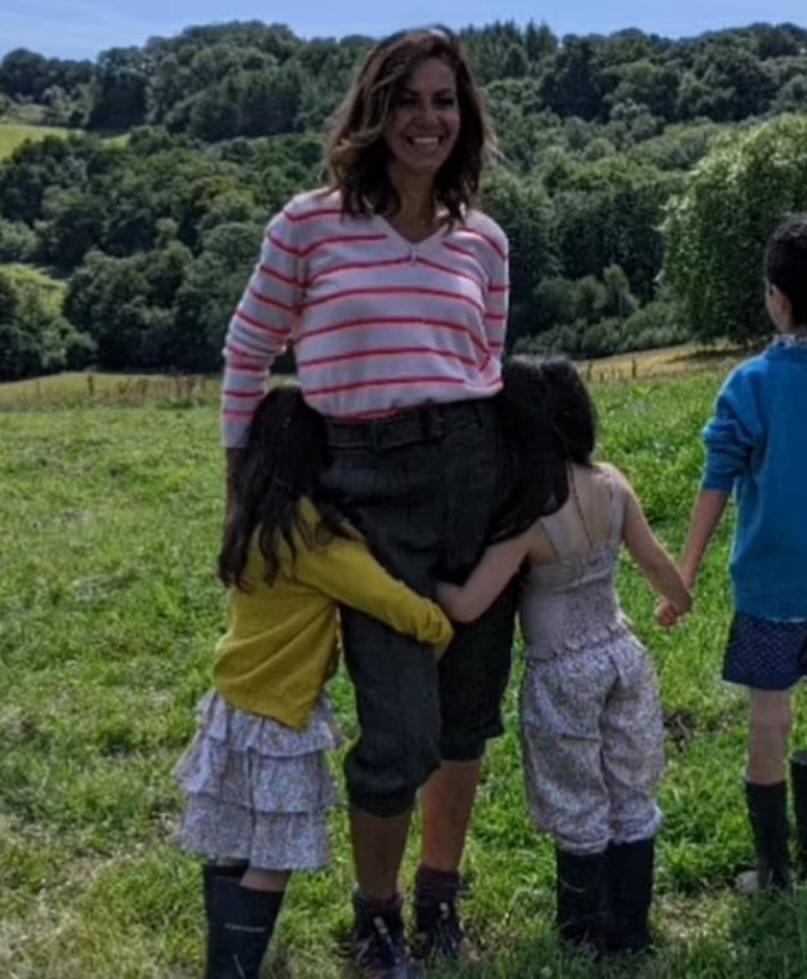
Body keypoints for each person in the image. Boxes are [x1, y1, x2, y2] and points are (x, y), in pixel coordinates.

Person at [219, 26, 513, 977]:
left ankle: (439, 899)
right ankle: (375, 915)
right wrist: (244, 489)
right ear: (374, 111)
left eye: (445, 101)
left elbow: (488, 366)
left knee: (467, 718)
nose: (428, 120)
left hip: (474, 483)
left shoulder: (487, 240)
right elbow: (247, 356)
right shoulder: (307, 224)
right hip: (365, 494)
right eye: (409, 100)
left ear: (463, 118)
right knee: (399, 729)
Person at [176, 386, 454, 978]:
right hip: (278, 715)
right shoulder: (312, 536)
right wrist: (436, 626)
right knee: (274, 855)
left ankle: (224, 961)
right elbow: (382, 596)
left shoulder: (250, 518)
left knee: (237, 841)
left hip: (230, 706)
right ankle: (235, 971)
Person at [657, 213, 807, 891]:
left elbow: (717, 481)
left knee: (770, 711)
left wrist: (683, 575)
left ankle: (775, 867)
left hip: (771, 584)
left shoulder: (751, 383)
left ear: (778, 300)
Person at [436, 356, 692, 956]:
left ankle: (581, 931)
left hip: (562, 673)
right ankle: (631, 930)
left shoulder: (527, 518)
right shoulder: (613, 484)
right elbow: (656, 562)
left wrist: (424, 585)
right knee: (630, 789)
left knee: (577, 797)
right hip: (622, 656)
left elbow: (471, 605)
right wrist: (677, 600)